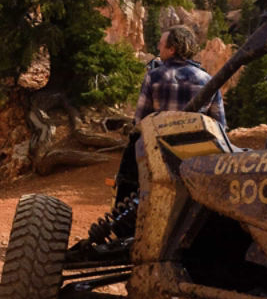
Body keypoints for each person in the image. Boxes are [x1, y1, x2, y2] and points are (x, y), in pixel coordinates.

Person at [78, 24, 227, 257]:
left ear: (173, 48)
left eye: (162, 43)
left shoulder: (154, 76)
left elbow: (140, 121)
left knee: (129, 177)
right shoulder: (208, 80)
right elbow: (219, 126)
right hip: (194, 159)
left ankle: (124, 231)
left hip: (155, 153)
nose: (158, 47)